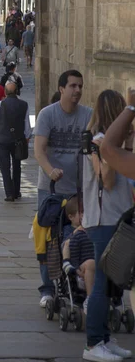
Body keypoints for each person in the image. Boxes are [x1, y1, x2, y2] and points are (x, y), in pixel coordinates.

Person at [80, 90, 134, 362]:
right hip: (104, 219)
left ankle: (103, 337)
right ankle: (92, 344)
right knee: (101, 284)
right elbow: (108, 180)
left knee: (112, 285)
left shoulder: (110, 142)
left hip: (114, 217)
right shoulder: (99, 142)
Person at [34, 70, 92, 308]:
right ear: (62, 89)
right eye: (73, 86)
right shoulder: (48, 115)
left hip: (79, 190)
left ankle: (79, 284)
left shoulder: (88, 114)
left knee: (79, 237)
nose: (77, 90)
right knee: (49, 239)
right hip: (51, 189)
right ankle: (47, 290)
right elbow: (39, 150)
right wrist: (51, 171)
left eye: (80, 86)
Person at [0, 82, 31, 201]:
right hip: (18, 140)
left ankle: (9, 193)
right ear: (17, 91)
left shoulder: (0, 104)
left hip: (2, 140)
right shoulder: (24, 105)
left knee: (5, 167)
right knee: (17, 166)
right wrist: (27, 138)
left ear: (5, 92)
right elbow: (27, 124)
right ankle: (16, 191)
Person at [61, 196, 95, 314]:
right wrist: (76, 232)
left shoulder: (93, 228)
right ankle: (90, 300)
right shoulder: (68, 230)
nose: (84, 215)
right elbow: (65, 246)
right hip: (79, 268)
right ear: (71, 217)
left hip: (97, 265)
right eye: (81, 212)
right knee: (91, 263)